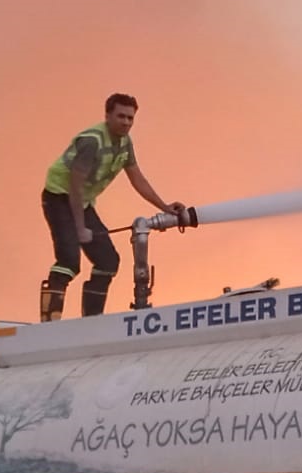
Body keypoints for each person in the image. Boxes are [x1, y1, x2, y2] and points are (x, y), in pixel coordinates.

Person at [39, 94, 191, 321]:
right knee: (69, 261)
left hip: (83, 202)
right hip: (60, 198)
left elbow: (137, 178)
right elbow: (75, 186)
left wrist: (165, 207)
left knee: (108, 261)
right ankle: (49, 323)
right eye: (121, 116)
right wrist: (80, 228)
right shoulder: (92, 141)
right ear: (107, 115)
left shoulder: (124, 143)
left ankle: (92, 321)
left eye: (131, 118)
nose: (126, 122)